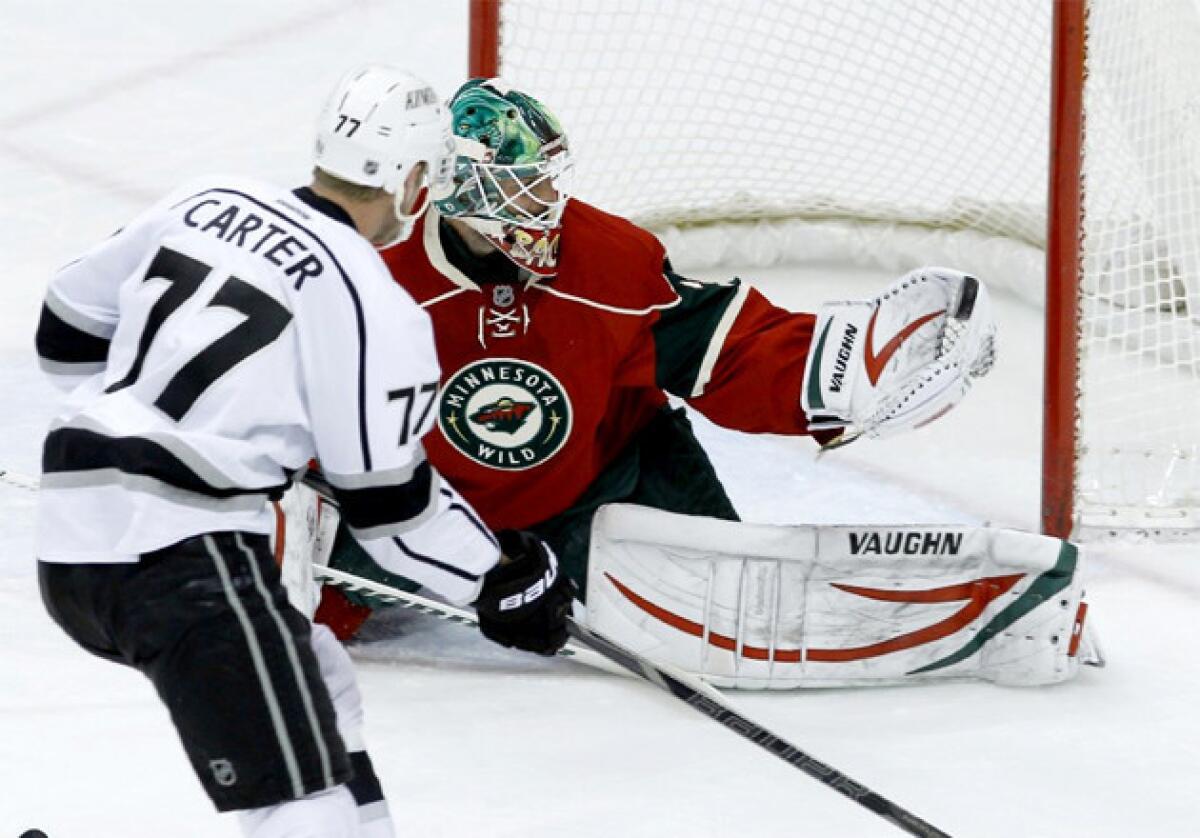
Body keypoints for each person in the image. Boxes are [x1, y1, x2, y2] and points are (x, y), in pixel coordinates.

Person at [33, 66, 572, 838]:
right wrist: (503, 580)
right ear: (412, 177)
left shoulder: (209, 198)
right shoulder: (372, 303)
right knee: (301, 806)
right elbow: (392, 512)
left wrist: (151, 416)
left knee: (320, 683)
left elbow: (64, 327)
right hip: (180, 554)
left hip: (70, 536)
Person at [314, 77, 996, 644]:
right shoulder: (372, 278)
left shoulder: (605, 258)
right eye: (523, 186)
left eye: (548, 180)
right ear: (465, 190)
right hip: (428, 512)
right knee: (286, 609)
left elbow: (715, 346)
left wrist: (832, 373)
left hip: (601, 485)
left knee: (734, 607)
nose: (547, 202)